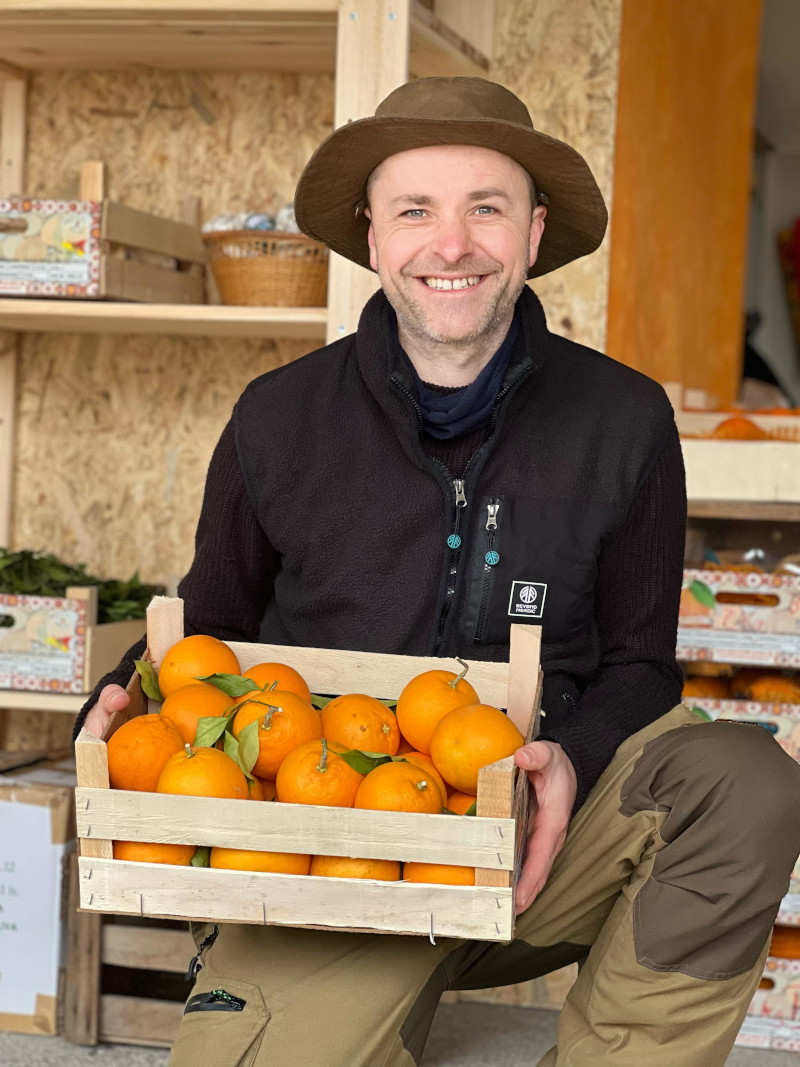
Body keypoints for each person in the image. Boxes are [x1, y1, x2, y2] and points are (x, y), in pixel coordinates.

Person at [74, 77, 800, 1066]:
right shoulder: (276, 419)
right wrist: (115, 710)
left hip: (538, 848)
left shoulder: (622, 419)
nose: (450, 243)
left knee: (743, 777)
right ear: (372, 237)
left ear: (532, 234)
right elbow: (207, 639)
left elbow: (640, 663)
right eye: (414, 208)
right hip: (329, 852)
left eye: (485, 208)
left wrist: (567, 760)